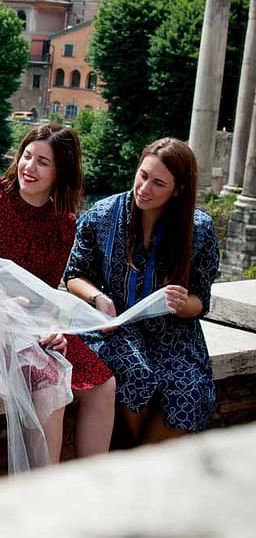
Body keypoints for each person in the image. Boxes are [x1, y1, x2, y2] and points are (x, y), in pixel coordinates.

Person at [0, 123, 116, 461]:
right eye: (27, 156)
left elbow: (48, 291)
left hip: (38, 325)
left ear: (60, 172)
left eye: (42, 162)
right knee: (51, 384)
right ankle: (44, 490)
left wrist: (57, 329)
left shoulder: (63, 222)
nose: (29, 167)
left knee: (103, 386)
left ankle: (92, 484)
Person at [64, 138, 219, 445]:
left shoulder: (199, 228)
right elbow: (74, 275)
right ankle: (139, 464)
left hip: (174, 336)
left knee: (190, 389)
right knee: (137, 373)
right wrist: (98, 298)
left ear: (178, 189)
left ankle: (142, 464)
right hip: (114, 326)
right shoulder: (103, 215)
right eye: (143, 175)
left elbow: (201, 301)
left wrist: (182, 303)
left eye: (158, 183)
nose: (144, 188)